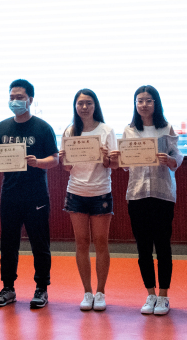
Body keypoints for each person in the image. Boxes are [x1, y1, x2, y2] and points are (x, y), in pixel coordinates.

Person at [109, 85, 183, 317]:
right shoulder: (129, 130)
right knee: (143, 247)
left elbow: (177, 155)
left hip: (162, 193)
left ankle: (164, 295)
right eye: (139, 101)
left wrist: (170, 161)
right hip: (137, 194)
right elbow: (125, 164)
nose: (144, 105)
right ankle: (150, 294)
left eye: (148, 100)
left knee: (163, 246)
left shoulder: (166, 128)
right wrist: (118, 158)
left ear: (156, 103)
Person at [0, 79, 59, 309]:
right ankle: (8, 287)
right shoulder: (2, 127)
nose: (15, 101)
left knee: (40, 243)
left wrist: (38, 162)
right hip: (9, 194)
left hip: (36, 195)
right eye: (12, 98)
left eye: (20, 97)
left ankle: (41, 288)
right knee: (8, 244)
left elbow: (55, 159)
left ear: (30, 99)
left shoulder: (43, 128)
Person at [58, 89, 118, 312]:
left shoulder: (106, 130)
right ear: (75, 106)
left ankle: (100, 292)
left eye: (89, 103)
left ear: (95, 105)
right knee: (81, 243)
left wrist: (105, 158)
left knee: (101, 243)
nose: (84, 107)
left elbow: (114, 164)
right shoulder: (70, 131)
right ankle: (87, 292)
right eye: (80, 103)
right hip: (76, 192)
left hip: (100, 192)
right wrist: (64, 160)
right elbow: (67, 167)